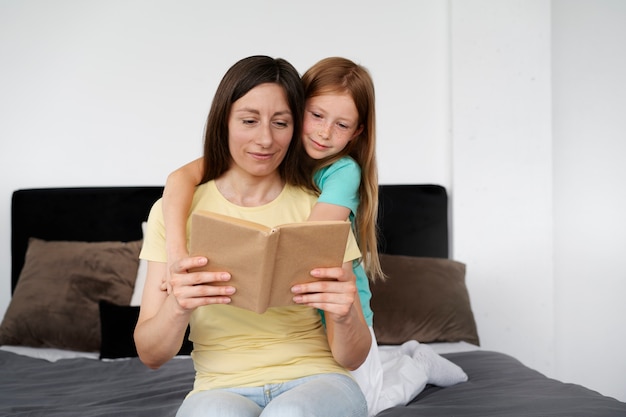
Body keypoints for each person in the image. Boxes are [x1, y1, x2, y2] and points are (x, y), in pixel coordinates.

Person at [160, 56, 467, 416]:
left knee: (375, 397)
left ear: (356, 132)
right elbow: (178, 179)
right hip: (297, 324)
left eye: (341, 124)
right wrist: (176, 253)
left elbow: (310, 242)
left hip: (340, 304)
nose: (324, 133)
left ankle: (417, 363)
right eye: (316, 116)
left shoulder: (342, 172)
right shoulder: (269, 145)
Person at [134, 55, 371, 417]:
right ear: (224, 121)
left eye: (281, 123)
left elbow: (352, 357)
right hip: (218, 386)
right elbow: (151, 355)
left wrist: (344, 317)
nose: (265, 139)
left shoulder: (321, 209)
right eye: (248, 121)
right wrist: (178, 305)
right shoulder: (174, 211)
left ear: (294, 127)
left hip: (318, 379)